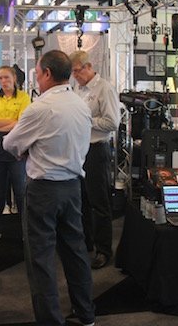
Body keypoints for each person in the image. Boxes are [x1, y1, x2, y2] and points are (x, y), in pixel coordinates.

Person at [3, 50, 95, 326]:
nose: (36, 79)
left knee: (41, 259)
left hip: (43, 191)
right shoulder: (80, 104)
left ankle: (51, 321)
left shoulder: (40, 108)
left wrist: (26, 149)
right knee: (76, 252)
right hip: (73, 188)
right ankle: (86, 314)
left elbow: (10, 143)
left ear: (47, 73)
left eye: (37, 73)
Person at [69, 50, 120, 269]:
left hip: (97, 150)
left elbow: (112, 122)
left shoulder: (104, 88)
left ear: (88, 66)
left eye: (77, 71)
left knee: (99, 203)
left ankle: (104, 250)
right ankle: (86, 242)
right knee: (81, 200)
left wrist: (85, 120)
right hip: (79, 150)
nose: (75, 76)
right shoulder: (77, 88)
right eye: (72, 73)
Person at [0, 65, 30, 244]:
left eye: (7, 77)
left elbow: (22, 123)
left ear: (14, 78)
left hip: (17, 148)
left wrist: (0, 125)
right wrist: (12, 122)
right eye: (0, 78)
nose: (3, 81)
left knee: (20, 191)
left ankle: (26, 231)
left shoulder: (24, 97)